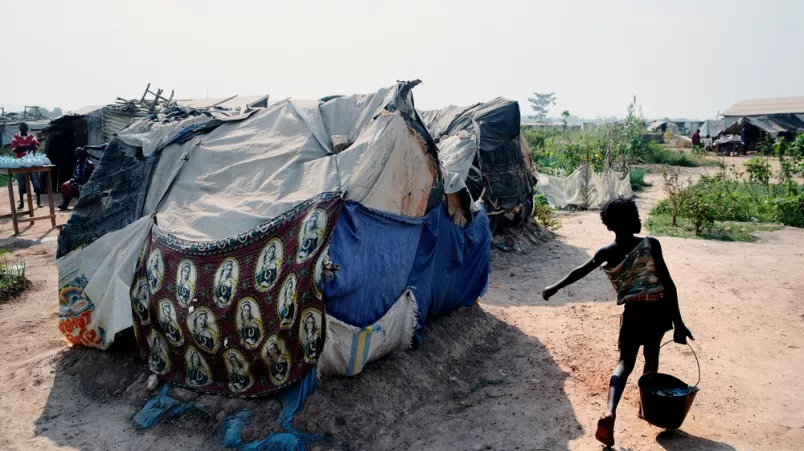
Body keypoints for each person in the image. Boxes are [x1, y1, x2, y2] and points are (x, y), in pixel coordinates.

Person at [541, 198, 693, 447]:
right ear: (624, 221)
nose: (639, 218)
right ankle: (648, 408)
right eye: (635, 215)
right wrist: (679, 323)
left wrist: (554, 287)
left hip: (634, 312)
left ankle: (610, 410)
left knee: (624, 363)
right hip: (658, 311)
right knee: (651, 357)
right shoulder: (651, 244)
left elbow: (580, 270)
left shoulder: (607, 252)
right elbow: (668, 284)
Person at [9, 122, 42, 208]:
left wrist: (21, 148)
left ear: (27, 128)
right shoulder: (15, 136)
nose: (24, 129)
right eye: (22, 127)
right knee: (21, 183)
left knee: (36, 182)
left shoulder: (31, 136)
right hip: (21, 163)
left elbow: (36, 146)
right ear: (19, 128)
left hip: (32, 162)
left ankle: (39, 201)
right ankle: (22, 203)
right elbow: (13, 149)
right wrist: (28, 147)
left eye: (25, 127)